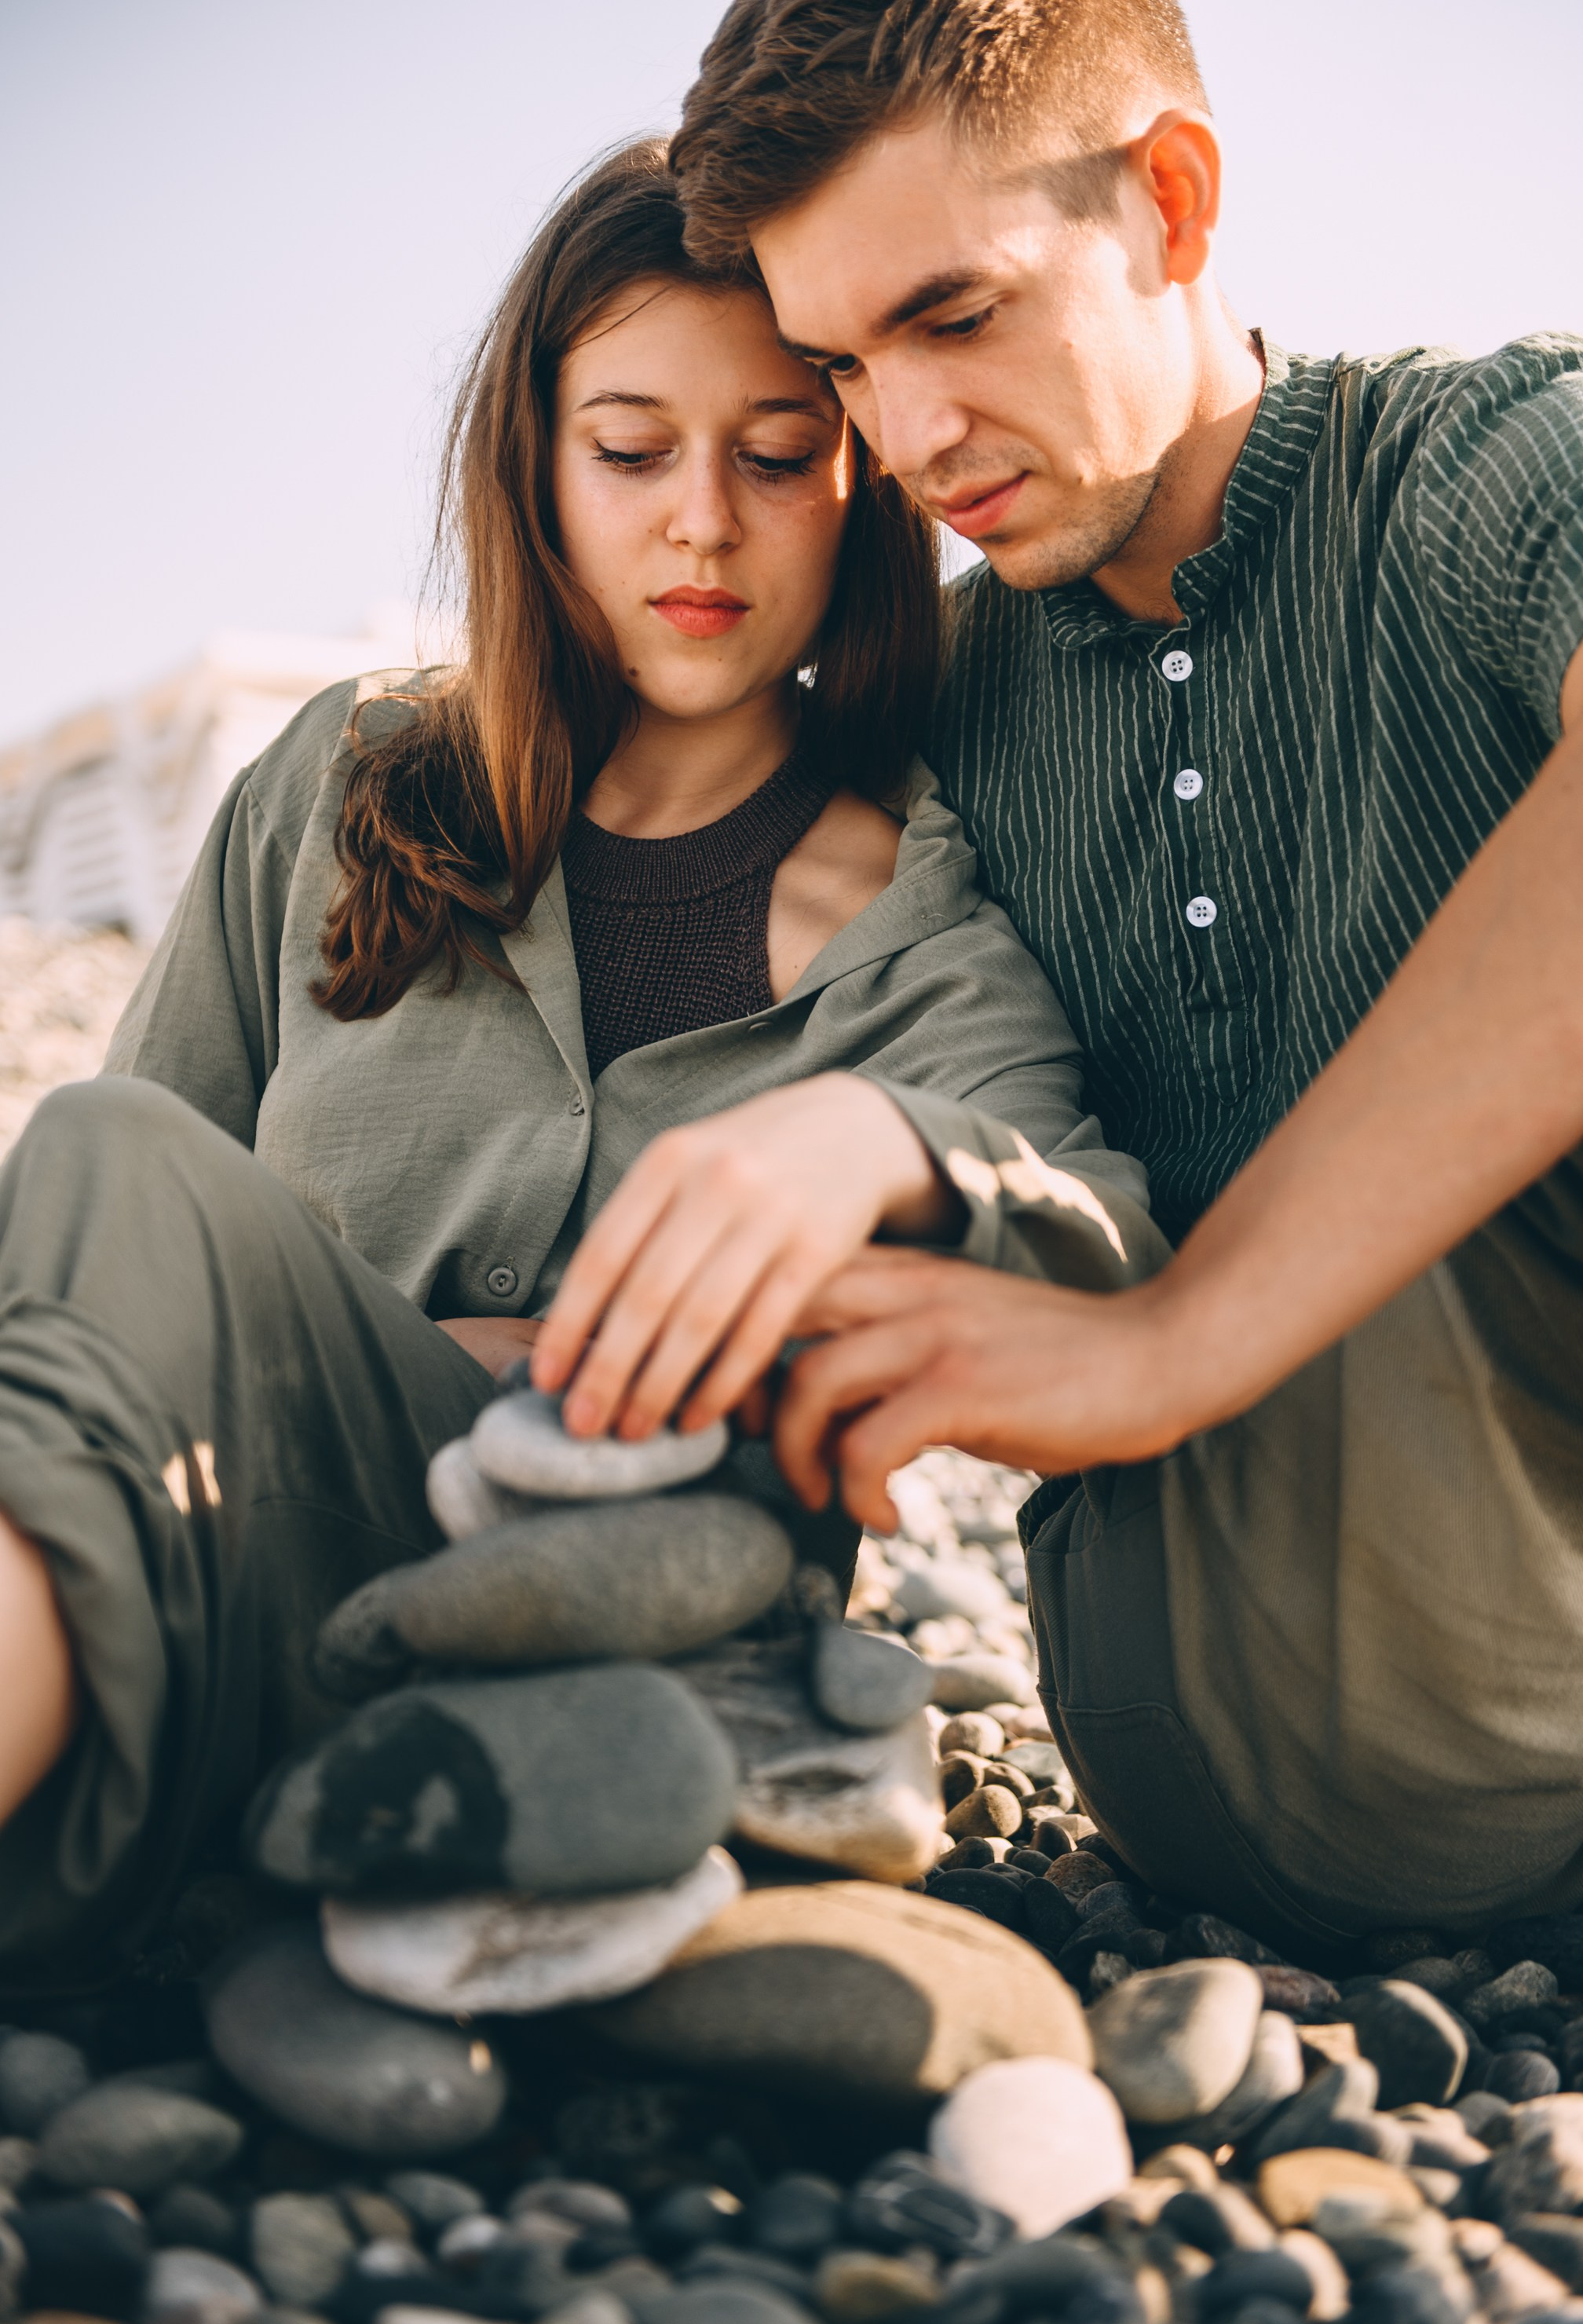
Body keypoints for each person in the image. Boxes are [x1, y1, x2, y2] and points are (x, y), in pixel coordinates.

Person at [0, 140, 1159, 1994]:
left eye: (776, 454)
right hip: (214, 1543)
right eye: (631, 452)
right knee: (108, 1159)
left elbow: (1101, 1262)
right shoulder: (342, 783)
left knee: (107, 1162)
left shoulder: (914, 920)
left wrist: (871, 1152)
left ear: (862, 484)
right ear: (535, 469)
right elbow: (87, 1298)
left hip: (598, 1679)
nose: (701, 521)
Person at [587, 0, 1583, 1955]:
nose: (904, 436)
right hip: (1231, 1806)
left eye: (955, 318)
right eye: (843, 363)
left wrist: (1177, 1339)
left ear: (1175, 201)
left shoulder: (1491, 469)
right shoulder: (932, 711)